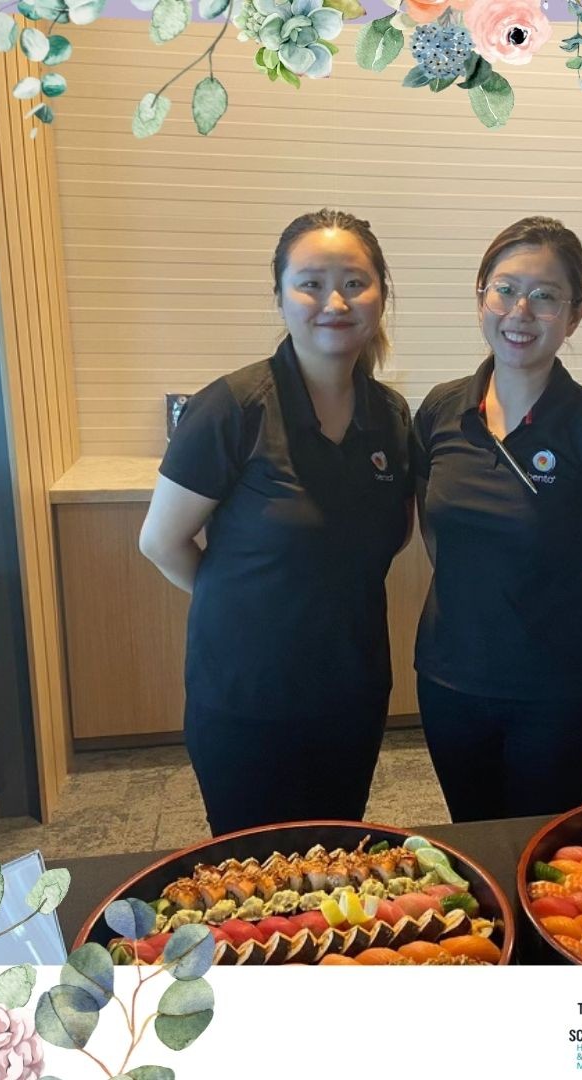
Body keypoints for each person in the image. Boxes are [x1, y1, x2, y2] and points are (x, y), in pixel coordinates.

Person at [139, 209, 412, 835]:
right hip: (246, 698)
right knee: (252, 878)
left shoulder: (390, 416)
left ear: (380, 297)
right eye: (311, 283)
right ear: (281, 297)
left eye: (354, 282)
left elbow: (387, 536)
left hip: (352, 690)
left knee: (335, 864)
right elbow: (161, 541)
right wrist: (245, 603)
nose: (334, 301)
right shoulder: (232, 407)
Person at [412, 217, 582, 822]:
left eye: (546, 296)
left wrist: (563, 597)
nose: (521, 310)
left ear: (575, 316)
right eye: (505, 288)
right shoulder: (442, 410)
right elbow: (432, 526)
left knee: (540, 846)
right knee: (471, 838)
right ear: (480, 297)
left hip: (554, 687)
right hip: (449, 677)